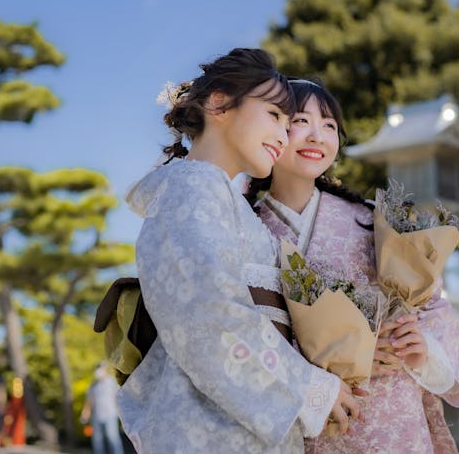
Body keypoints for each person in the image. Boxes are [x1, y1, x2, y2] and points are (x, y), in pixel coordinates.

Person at [117, 48, 360, 453]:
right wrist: (307, 387)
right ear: (219, 103)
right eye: (275, 115)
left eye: (288, 123)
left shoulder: (218, 196)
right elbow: (208, 316)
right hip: (211, 428)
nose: (284, 134)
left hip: (239, 425)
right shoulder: (191, 188)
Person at [248, 78, 459, 453]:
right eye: (301, 121)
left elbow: (432, 305)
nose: (318, 135)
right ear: (271, 130)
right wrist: (345, 354)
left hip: (390, 416)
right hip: (306, 418)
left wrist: (421, 346)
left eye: (330, 125)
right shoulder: (246, 228)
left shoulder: (370, 221)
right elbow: (240, 329)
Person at [81, 362, 125, 454]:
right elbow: (89, 401)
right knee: (97, 441)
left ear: (105, 370)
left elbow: (119, 398)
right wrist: (85, 414)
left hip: (110, 415)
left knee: (112, 438)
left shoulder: (112, 382)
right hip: (96, 417)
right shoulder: (93, 386)